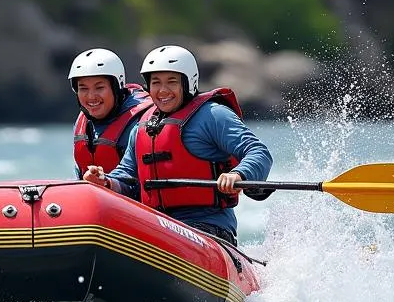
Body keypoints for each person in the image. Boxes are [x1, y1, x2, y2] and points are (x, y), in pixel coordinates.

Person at [83, 45, 272, 246]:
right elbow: (127, 177)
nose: (163, 90)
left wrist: (239, 174)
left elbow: (259, 152)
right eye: (156, 83)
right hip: (156, 225)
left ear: (187, 83)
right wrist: (106, 182)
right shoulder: (141, 127)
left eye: (171, 82)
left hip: (208, 228)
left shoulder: (213, 115)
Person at [68, 48, 153, 177]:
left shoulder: (141, 121)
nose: (91, 96)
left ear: (116, 87)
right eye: (83, 88)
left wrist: (107, 183)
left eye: (99, 87)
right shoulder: (83, 123)